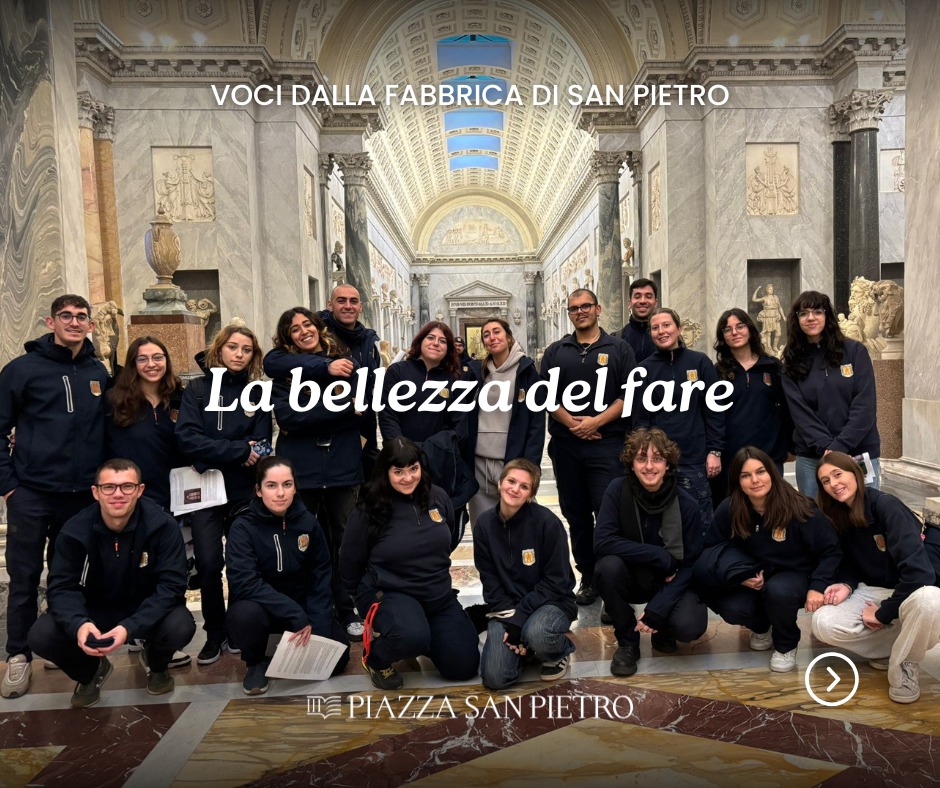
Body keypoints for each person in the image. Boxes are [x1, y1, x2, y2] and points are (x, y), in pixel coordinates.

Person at [0, 294, 109, 699]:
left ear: (91, 325)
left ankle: (60, 641)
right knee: (24, 576)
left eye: (81, 317)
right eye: (66, 316)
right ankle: (18, 655)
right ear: (51, 322)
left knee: (71, 576)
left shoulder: (98, 371)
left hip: (80, 497)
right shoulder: (22, 370)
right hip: (31, 493)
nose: (74, 322)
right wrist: (9, 487)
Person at [27, 459, 195, 708]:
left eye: (127, 486)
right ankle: (90, 672)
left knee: (180, 625)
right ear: (95, 492)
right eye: (108, 487)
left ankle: (156, 663)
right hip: (93, 611)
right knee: (41, 635)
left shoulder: (162, 526)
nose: (118, 494)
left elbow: (171, 587)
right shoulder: (74, 531)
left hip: (144, 607)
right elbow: (62, 588)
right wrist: (79, 624)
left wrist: (130, 626)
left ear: (140, 490)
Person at [339, 438, 479, 690]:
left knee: (463, 666)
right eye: (398, 472)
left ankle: (422, 636)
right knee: (410, 636)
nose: (408, 478)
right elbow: (350, 559)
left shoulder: (438, 497)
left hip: (437, 596)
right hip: (391, 593)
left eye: (413, 469)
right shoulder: (369, 508)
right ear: (386, 472)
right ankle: (376, 658)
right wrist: (361, 598)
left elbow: (446, 540)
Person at [175, 324, 273, 666]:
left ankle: (237, 629)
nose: (239, 354)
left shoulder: (257, 392)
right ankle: (214, 633)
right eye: (233, 347)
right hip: (206, 492)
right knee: (208, 563)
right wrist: (237, 451)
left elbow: (262, 444)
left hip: (244, 491)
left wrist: (213, 453)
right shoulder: (198, 389)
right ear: (219, 349)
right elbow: (187, 438)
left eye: (246, 349)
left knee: (243, 564)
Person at [699, 447, 841, 673]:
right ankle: (761, 626)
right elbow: (712, 548)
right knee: (732, 605)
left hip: (794, 575)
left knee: (778, 591)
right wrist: (738, 574)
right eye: (746, 475)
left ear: (772, 473)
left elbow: (831, 550)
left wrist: (818, 585)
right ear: (737, 481)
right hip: (752, 574)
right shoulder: (730, 508)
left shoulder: (800, 507)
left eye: (760, 472)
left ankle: (786, 644)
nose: (755, 480)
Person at [267, 307, 363, 640]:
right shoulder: (285, 372)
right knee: (302, 541)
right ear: (288, 338)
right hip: (302, 469)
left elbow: (361, 407)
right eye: (295, 329)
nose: (303, 331)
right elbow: (289, 418)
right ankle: (307, 609)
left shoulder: (345, 363)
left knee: (344, 542)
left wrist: (315, 414)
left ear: (318, 327)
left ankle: (346, 607)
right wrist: (341, 411)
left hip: (342, 467)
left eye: (307, 324)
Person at [813, 452, 940, 704]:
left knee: (931, 600)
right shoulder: (837, 514)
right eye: (825, 481)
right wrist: (846, 584)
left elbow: (920, 574)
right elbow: (849, 563)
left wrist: (883, 614)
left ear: (855, 473)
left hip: (913, 592)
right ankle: (898, 645)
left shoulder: (886, 506)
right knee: (822, 623)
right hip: (875, 591)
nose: (834, 484)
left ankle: (904, 665)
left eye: (838, 474)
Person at [540, 289, 636, 605]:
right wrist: (574, 424)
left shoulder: (619, 349)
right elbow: (547, 396)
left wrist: (596, 422)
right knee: (577, 516)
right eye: (574, 308)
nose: (580, 312)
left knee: (609, 515)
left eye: (585, 306)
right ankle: (588, 577)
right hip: (567, 447)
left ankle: (613, 584)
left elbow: (628, 395)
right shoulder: (556, 351)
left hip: (607, 445)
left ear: (598, 308)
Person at [225, 457, 350, 695]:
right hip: (263, 608)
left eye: (287, 484)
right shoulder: (243, 527)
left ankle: (289, 649)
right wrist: (294, 614)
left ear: (295, 487)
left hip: (303, 608)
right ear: (258, 490)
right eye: (271, 485)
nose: (280, 493)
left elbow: (321, 574)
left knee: (339, 657)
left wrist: (317, 625)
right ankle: (255, 662)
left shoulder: (308, 523)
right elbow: (245, 583)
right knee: (244, 616)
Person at [594, 428, 707, 676]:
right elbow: (603, 541)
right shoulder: (617, 489)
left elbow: (691, 564)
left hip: (670, 580)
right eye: (641, 458)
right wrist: (659, 556)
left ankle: (662, 627)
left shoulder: (686, 503)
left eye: (657, 458)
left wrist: (660, 606)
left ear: (668, 465)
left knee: (689, 627)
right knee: (606, 568)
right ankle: (627, 643)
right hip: (632, 575)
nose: (649, 466)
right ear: (631, 464)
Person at [474, 459, 577, 689]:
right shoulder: (484, 525)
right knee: (495, 678)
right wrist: (513, 620)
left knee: (537, 632)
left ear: (531, 494)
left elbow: (557, 581)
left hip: (551, 603)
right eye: (511, 481)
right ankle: (525, 648)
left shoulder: (547, 523)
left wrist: (521, 619)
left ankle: (558, 651)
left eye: (524, 486)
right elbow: (489, 579)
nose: (515, 489)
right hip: (506, 609)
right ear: (500, 483)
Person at [781, 290, 880, 498]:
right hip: (812, 458)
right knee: (815, 514)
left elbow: (865, 405)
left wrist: (840, 445)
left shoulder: (855, 351)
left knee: (865, 512)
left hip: (858, 452)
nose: (811, 318)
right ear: (796, 319)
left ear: (827, 315)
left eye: (817, 311)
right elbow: (800, 414)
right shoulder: (790, 362)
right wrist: (827, 448)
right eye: (803, 313)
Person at [634, 308, 724, 531]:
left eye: (666, 325)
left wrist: (715, 451)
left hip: (694, 458)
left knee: (700, 523)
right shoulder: (644, 370)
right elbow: (640, 421)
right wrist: (645, 458)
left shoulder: (700, 362)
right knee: (660, 524)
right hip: (658, 462)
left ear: (679, 329)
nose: (661, 331)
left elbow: (714, 411)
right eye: (655, 328)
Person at [466, 319, 545, 525]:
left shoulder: (526, 371)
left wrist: (530, 465)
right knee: (483, 525)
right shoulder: (478, 372)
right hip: (479, 462)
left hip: (512, 460)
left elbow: (536, 422)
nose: (492, 337)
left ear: (509, 337)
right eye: (486, 335)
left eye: (496, 332)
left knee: (520, 525)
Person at [712, 309, 791, 502]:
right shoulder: (717, 373)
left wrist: (790, 446)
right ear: (722, 337)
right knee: (735, 512)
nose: (734, 332)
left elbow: (787, 410)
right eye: (727, 329)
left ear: (750, 329)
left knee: (772, 510)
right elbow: (713, 416)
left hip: (769, 456)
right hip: (731, 458)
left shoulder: (772, 367)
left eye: (740, 326)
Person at [105, 336, 184, 511]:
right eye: (142, 359)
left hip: (174, 497)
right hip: (129, 496)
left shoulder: (180, 399)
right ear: (133, 364)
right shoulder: (115, 400)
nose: (151, 364)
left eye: (157, 357)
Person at [319, 284, 381, 478]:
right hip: (329, 429)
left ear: (360, 307)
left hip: (363, 429)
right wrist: (325, 366)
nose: (348, 306)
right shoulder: (318, 337)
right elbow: (275, 361)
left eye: (353, 301)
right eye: (341, 301)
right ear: (330, 305)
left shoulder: (369, 341)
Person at [616, 278, 658, 363]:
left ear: (656, 303)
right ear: (629, 303)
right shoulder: (617, 338)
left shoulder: (667, 337)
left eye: (648, 297)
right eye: (637, 297)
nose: (643, 301)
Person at [752, 283, 785, 354]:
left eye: (772, 289)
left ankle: (775, 346)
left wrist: (783, 316)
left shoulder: (776, 297)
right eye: (770, 289)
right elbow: (754, 299)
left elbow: (779, 307)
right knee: (768, 334)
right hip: (767, 316)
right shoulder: (764, 298)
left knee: (778, 333)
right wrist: (757, 289)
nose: (771, 290)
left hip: (776, 316)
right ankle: (769, 348)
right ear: (767, 290)